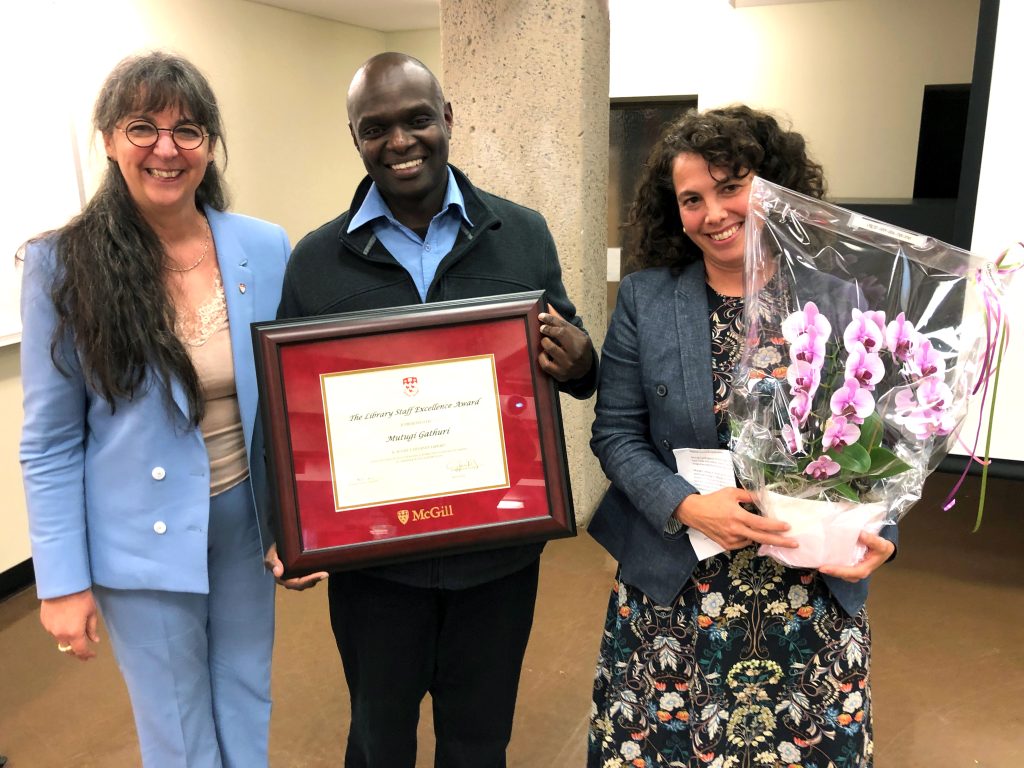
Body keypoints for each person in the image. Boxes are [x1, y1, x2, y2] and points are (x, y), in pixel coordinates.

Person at [268, 52, 597, 768]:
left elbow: (564, 363)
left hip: (496, 562)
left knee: (480, 742)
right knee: (378, 740)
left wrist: (583, 362)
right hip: (375, 572)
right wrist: (289, 527)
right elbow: (290, 415)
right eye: (376, 127)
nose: (400, 141)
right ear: (354, 137)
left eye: (417, 119)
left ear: (446, 118)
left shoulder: (523, 233)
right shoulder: (316, 261)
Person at [586, 105, 898, 767]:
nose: (714, 213)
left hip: (806, 587)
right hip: (679, 585)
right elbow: (616, 433)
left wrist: (881, 538)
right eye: (692, 199)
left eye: (732, 186)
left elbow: (885, 436)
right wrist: (683, 503)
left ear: (774, 186)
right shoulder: (647, 299)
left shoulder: (839, 299)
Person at [19, 52, 289, 768]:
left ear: (209, 145)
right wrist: (62, 582)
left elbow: (290, 402)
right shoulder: (63, 263)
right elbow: (49, 442)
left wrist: (299, 522)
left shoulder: (262, 247)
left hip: (245, 522)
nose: (167, 148)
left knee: (245, 695)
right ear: (109, 139)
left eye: (188, 130)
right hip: (136, 537)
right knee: (176, 725)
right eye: (143, 127)